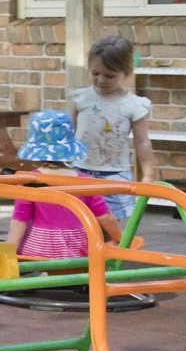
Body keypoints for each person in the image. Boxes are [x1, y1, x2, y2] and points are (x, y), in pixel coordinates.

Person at [8, 110, 122, 261]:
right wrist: (120, 239)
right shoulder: (85, 182)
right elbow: (105, 216)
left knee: (40, 261)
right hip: (75, 248)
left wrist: (10, 251)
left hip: (38, 249)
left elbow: (20, 220)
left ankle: (44, 275)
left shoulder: (29, 180)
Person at [72, 34, 154, 228]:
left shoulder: (133, 104)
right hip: (80, 168)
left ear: (126, 73)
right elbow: (69, 133)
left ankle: (108, 255)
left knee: (109, 222)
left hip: (114, 172)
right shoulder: (81, 99)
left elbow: (142, 141)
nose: (101, 80)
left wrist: (148, 174)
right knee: (79, 219)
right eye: (95, 73)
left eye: (109, 76)